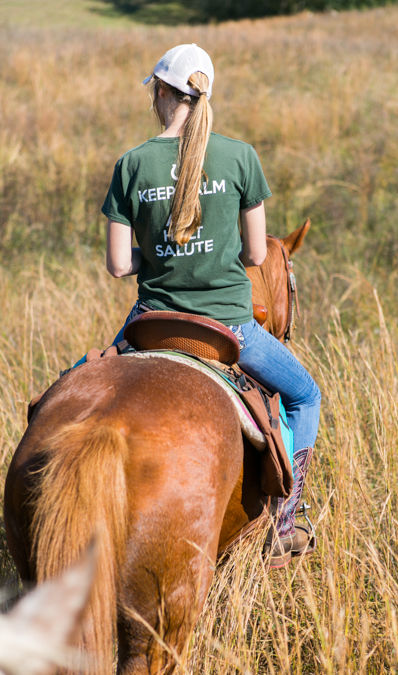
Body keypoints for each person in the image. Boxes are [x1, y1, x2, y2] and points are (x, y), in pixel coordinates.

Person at [99, 44, 321, 567]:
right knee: (306, 396)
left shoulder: (131, 164)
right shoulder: (241, 156)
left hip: (150, 325)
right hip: (230, 328)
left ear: (161, 92)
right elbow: (253, 252)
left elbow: (116, 265)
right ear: (203, 96)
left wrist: (158, 253)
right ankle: (286, 521)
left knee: (75, 383)